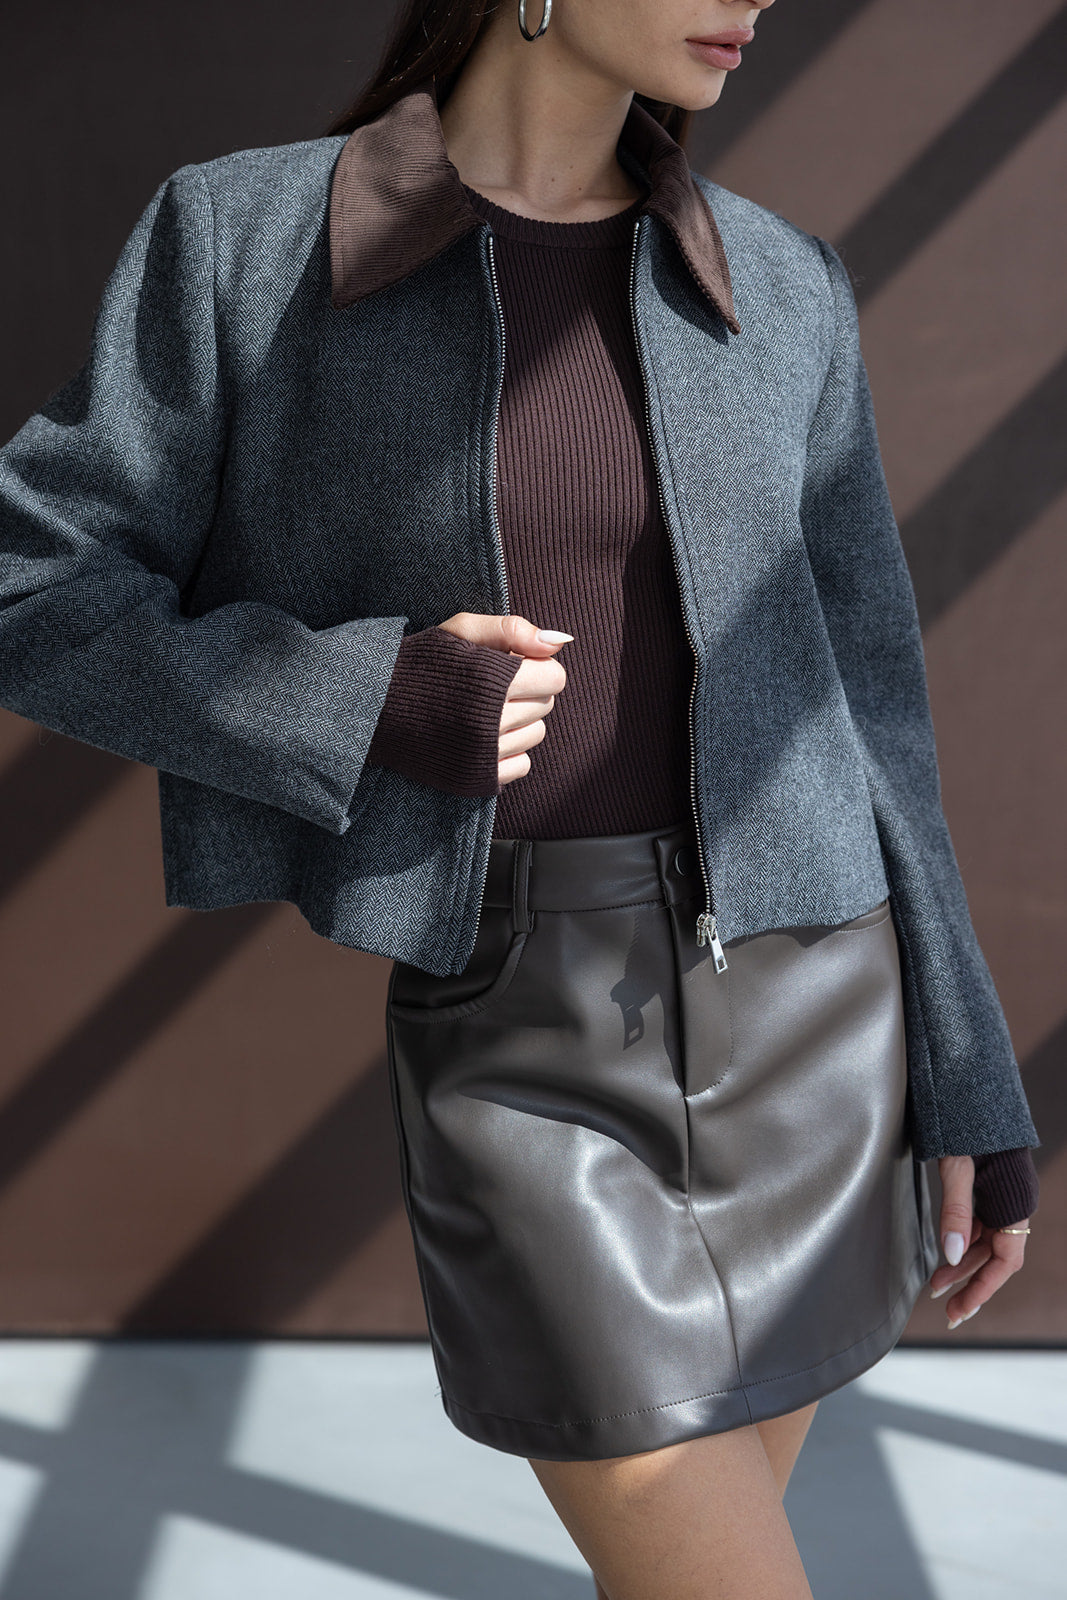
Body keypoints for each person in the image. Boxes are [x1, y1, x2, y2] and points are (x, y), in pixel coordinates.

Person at [0, 0, 1040, 1595]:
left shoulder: (783, 284)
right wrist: (373, 696)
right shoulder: (245, 240)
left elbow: (875, 714)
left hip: (821, 1014)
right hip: (517, 1033)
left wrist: (969, 1077)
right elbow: (35, 590)